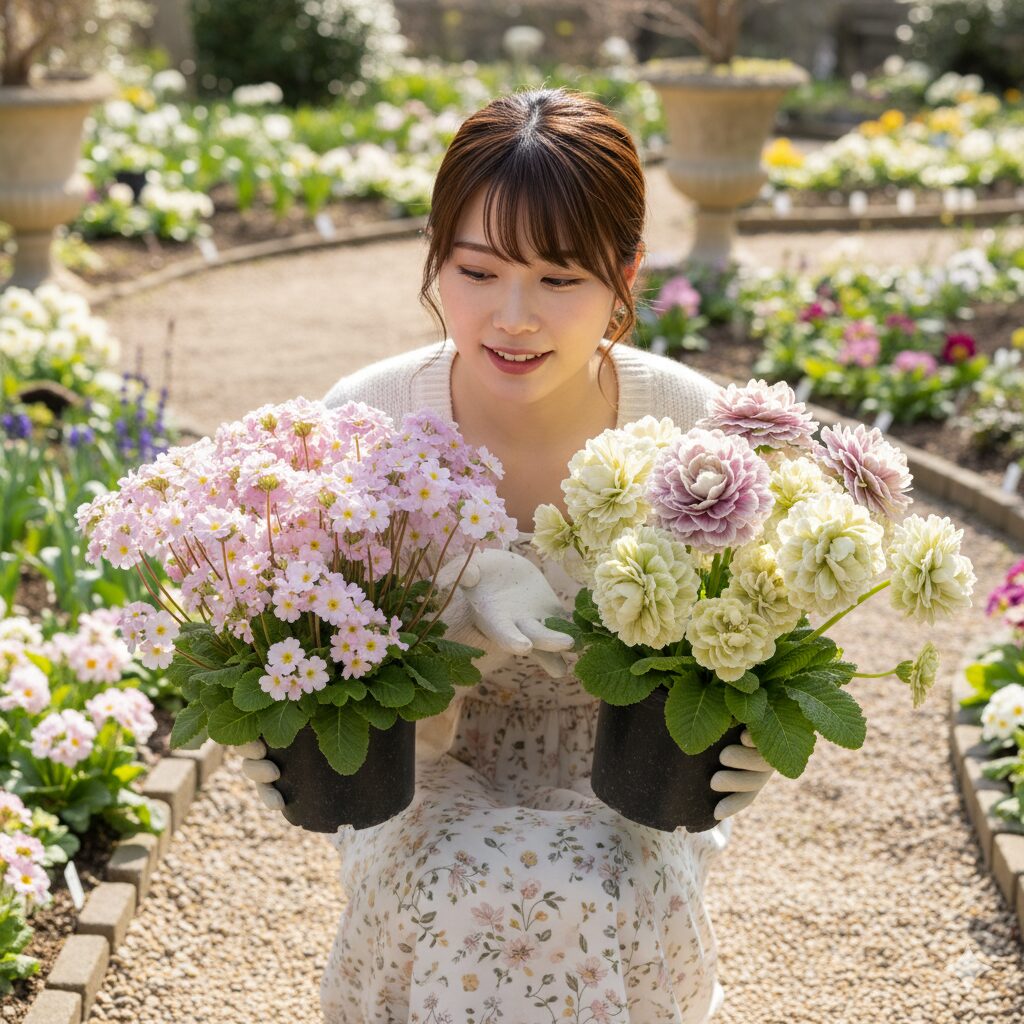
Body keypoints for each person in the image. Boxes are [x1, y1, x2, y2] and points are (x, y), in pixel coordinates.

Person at [237, 87, 775, 1023]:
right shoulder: (369, 420)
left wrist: (751, 723)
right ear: (434, 259)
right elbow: (300, 629)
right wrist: (284, 713)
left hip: (627, 765)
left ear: (626, 274)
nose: (513, 316)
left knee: (589, 884)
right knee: (476, 883)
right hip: (422, 761)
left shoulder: (692, 430)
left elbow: (766, 622)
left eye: (560, 280)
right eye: (478, 271)